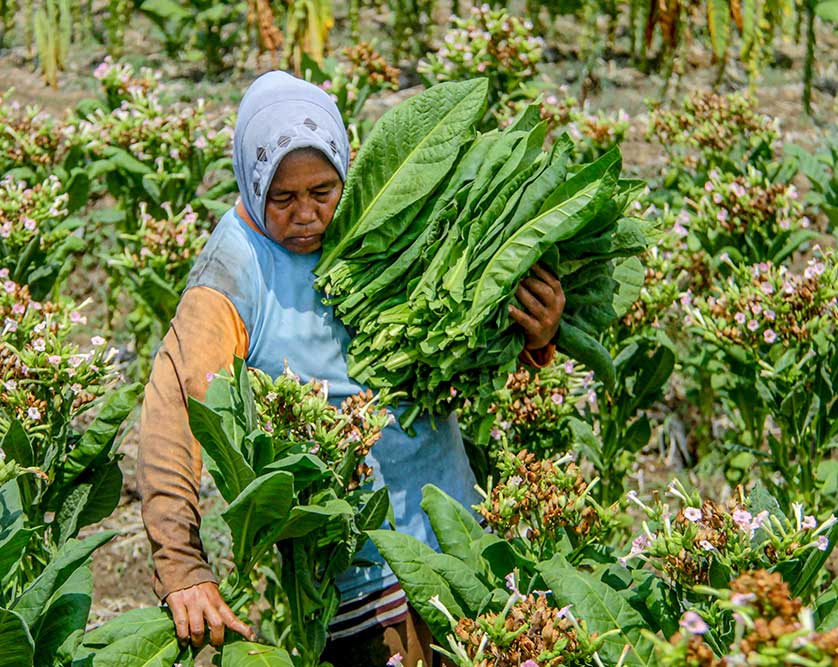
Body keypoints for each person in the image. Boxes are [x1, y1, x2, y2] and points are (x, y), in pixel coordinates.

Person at [137, 70, 565, 666]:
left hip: (456, 530)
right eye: (282, 199)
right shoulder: (232, 271)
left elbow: (453, 333)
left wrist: (534, 336)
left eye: (323, 191)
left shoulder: (383, 209)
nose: (308, 215)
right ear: (251, 180)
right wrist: (180, 562)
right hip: (354, 570)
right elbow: (176, 411)